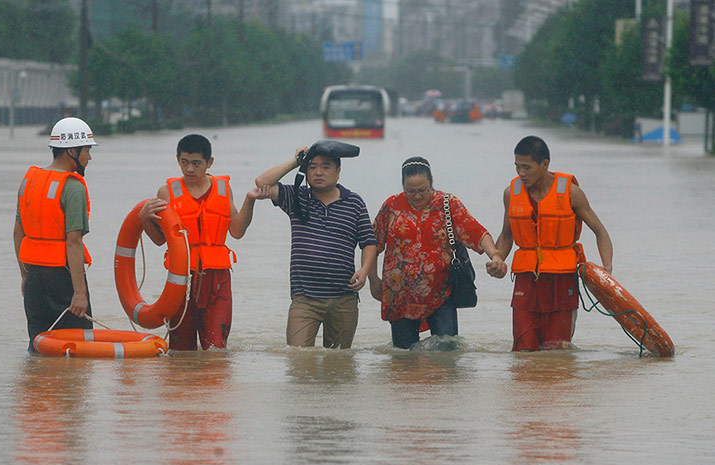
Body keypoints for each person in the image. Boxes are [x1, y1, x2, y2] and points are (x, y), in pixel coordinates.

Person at [486, 135, 613, 351]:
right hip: (526, 279)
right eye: (517, 167)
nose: (521, 173)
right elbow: (507, 235)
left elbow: (600, 232)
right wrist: (498, 259)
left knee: (557, 349)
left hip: (562, 279)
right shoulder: (511, 193)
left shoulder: (571, 193)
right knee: (523, 348)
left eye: (526, 167)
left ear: (545, 164)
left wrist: (606, 269)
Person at [138, 134, 263, 350]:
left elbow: (237, 231)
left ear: (209, 162)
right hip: (181, 279)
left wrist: (250, 201)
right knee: (181, 351)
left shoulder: (223, 189)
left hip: (218, 279)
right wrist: (144, 219)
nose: (189, 169)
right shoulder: (166, 193)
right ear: (177, 159)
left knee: (216, 348)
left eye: (196, 163)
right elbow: (159, 240)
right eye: (184, 162)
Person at [368, 157, 504, 349]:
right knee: (402, 357)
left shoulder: (448, 204)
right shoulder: (391, 206)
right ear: (402, 186)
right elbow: (373, 243)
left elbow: (476, 233)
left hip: (442, 293)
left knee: (446, 351)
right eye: (411, 191)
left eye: (423, 190)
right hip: (400, 297)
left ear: (431, 182)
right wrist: (373, 279)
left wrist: (495, 256)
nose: (417, 196)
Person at [254, 144, 378, 348]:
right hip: (305, 299)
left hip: (344, 297)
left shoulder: (354, 203)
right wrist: (296, 162)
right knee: (298, 358)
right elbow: (262, 183)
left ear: (338, 172)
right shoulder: (296, 196)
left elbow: (369, 242)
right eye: (312, 167)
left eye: (326, 167)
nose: (318, 172)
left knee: (340, 363)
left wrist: (364, 271)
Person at [14, 117, 98, 351]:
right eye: (87, 150)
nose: (89, 157)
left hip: (33, 279)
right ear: (72, 150)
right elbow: (73, 243)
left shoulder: (29, 181)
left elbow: (18, 233)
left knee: (39, 346)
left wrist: (24, 276)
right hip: (63, 279)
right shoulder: (73, 187)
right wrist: (80, 294)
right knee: (77, 348)